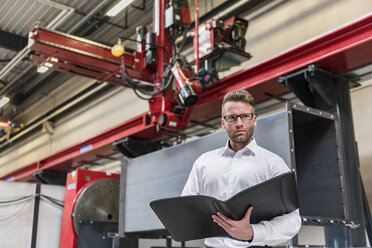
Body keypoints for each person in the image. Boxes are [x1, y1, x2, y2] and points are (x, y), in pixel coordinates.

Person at [182, 89, 301, 247]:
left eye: (245, 116)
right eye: (232, 117)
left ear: (254, 120)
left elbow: (292, 221)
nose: (239, 123)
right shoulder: (203, 162)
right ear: (223, 123)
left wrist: (253, 232)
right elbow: (186, 207)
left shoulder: (273, 163)